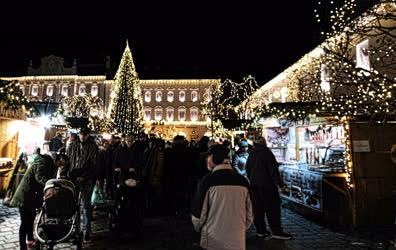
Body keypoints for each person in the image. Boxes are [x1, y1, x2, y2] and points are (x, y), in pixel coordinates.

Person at [191, 144, 253, 250]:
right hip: (237, 240)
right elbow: (250, 214)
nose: (206, 160)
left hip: (212, 240)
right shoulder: (243, 181)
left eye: (208, 157)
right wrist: (240, 228)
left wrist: (201, 229)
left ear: (214, 158)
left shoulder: (207, 181)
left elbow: (198, 214)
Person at [11, 153, 67, 250]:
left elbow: (48, 179)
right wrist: (51, 184)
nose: (62, 166)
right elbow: (39, 177)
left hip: (34, 196)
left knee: (31, 219)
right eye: (62, 163)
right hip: (25, 194)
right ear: (59, 158)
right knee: (24, 222)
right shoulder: (43, 161)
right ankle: (22, 246)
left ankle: (30, 240)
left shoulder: (53, 165)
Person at [245, 136, 292, 240]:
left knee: (258, 209)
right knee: (272, 209)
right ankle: (277, 231)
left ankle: (261, 231)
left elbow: (247, 168)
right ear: (264, 143)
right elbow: (273, 170)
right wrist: (280, 184)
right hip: (267, 186)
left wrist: (252, 179)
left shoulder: (252, 153)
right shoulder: (267, 152)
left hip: (254, 186)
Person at [66, 127, 98, 243]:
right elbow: (68, 162)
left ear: (88, 135)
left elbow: (94, 166)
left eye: (85, 134)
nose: (83, 136)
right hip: (74, 179)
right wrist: (70, 175)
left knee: (86, 206)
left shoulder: (93, 147)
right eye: (81, 134)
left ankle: (87, 231)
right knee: (75, 206)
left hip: (86, 180)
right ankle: (76, 230)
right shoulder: (72, 146)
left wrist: (84, 176)